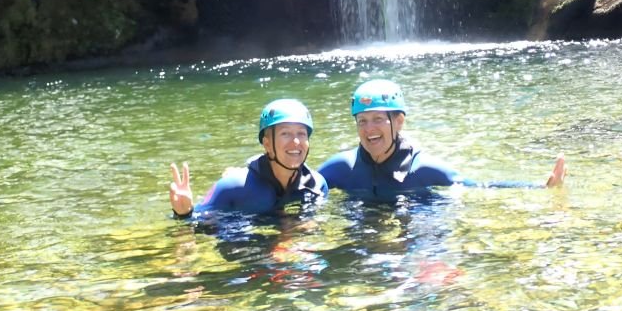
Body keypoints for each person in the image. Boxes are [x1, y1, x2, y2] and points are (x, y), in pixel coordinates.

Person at [317, 79, 566, 197]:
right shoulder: (342, 167)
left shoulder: (422, 169)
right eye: (362, 121)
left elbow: (478, 187)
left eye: (378, 119)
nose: (369, 128)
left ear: (399, 121)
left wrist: (540, 187)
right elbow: (303, 187)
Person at [169, 98, 328, 217]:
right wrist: (184, 214)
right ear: (267, 144)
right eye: (285, 133)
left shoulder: (317, 185)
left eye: (301, 133)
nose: (296, 142)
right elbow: (199, 224)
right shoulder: (232, 187)